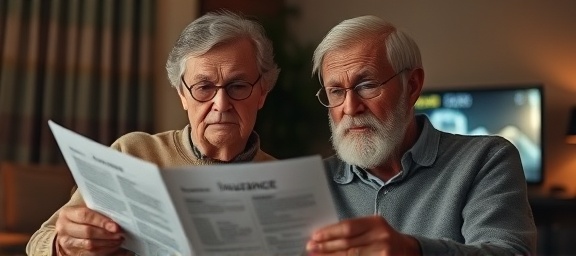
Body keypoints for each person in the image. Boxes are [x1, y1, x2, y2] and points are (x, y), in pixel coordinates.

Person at [26, 10, 280, 256]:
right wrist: (64, 246)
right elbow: (39, 242)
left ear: (262, 93)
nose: (221, 104)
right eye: (204, 87)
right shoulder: (133, 153)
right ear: (182, 94)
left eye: (237, 86)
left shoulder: (282, 181)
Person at [305, 15, 536, 255]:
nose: (350, 107)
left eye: (367, 85)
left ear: (412, 86)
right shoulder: (313, 182)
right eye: (336, 91)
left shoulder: (486, 159)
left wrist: (412, 250)